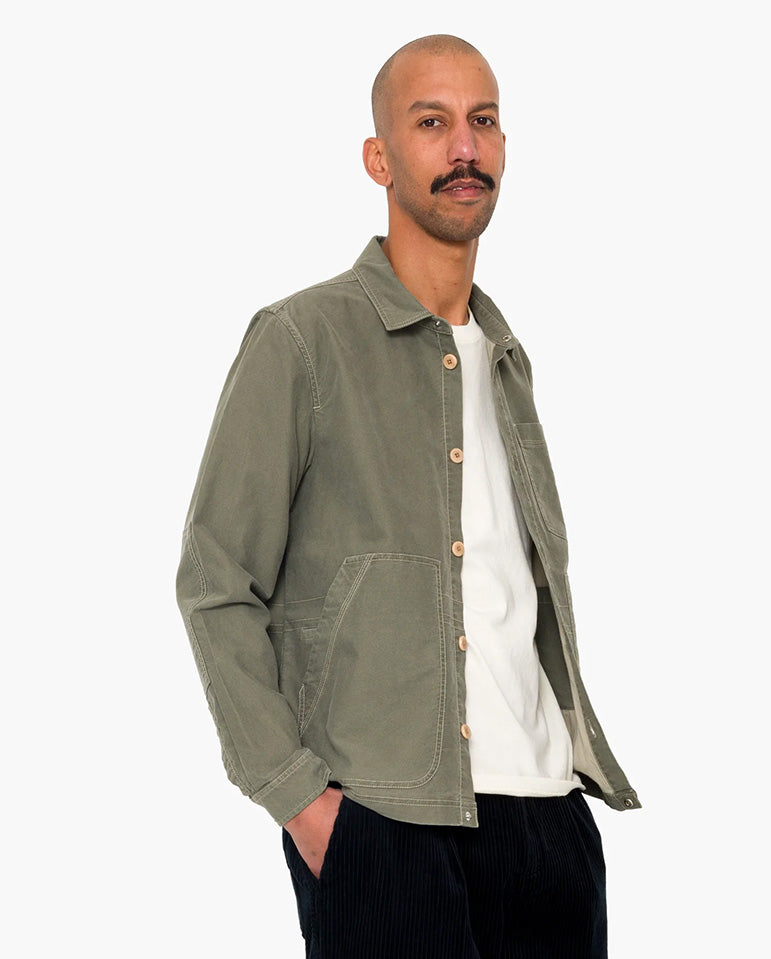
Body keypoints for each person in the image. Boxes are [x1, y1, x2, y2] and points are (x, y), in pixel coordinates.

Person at [176, 33, 640, 959]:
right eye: (431, 123)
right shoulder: (303, 339)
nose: (464, 147)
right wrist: (302, 801)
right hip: (385, 824)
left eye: (482, 121)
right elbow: (216, 582)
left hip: (550, 822)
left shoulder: (507, 359)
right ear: (378, 158)